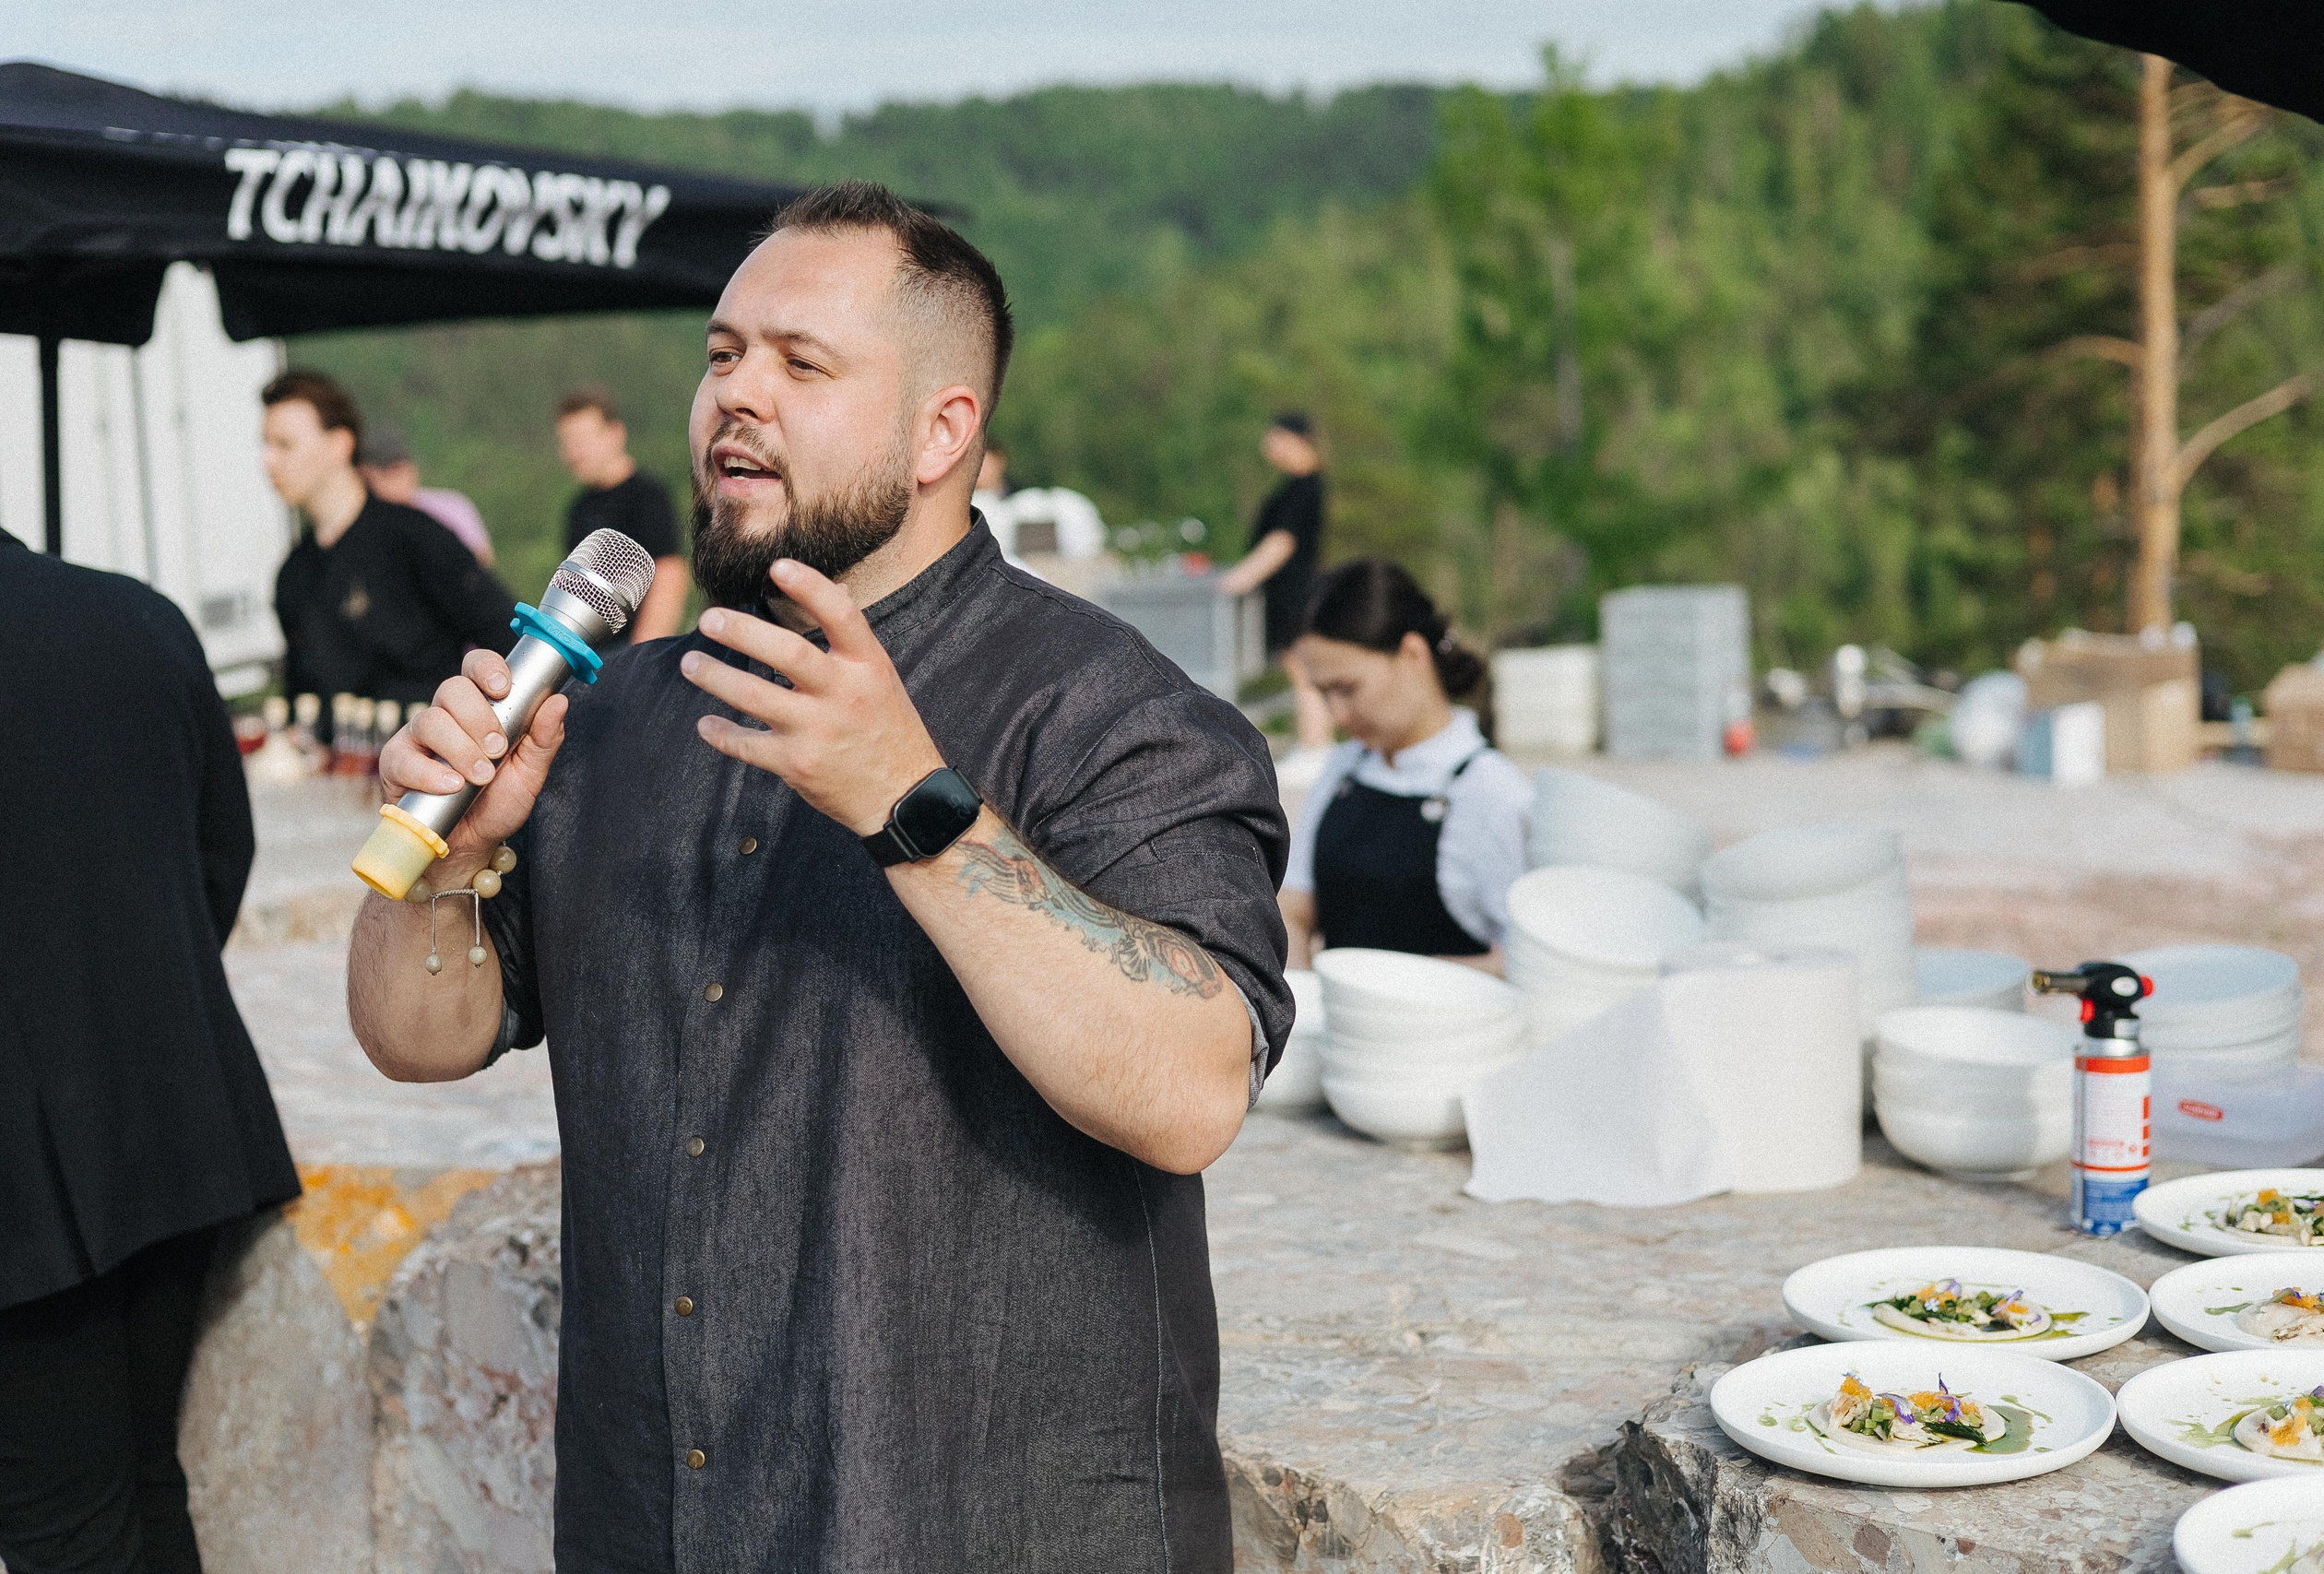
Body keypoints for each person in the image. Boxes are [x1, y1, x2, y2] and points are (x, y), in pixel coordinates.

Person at [348, 181, 1289, 1571]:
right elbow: (417, 1036)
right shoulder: (613, 714)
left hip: (990, 1526)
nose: (737, 395)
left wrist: (913, 805)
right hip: (658, 1518)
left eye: (803, 363)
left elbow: (1195, 1086)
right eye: (723, 353)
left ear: (941, 429)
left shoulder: (1116, 712)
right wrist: (451, 858)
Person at [0, 531, 301, 1573]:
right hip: (179, 1116)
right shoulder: (136, 615)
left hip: (26, 1199)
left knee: (62, 1529)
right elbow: (223, 852)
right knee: (138, 1483)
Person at [1280, 559, 1533, 973]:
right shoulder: (1344, 768)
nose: (1337, 716)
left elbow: (1526, 960)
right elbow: (1294, 908)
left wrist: (1399, 988)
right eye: (1323, 694)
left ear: (1412, 654)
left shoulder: (1491, 792)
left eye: (1346, 689)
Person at [266, 370, 516, 725]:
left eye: (284, 444)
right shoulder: (293, 575)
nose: (268, 461)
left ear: (339, 444)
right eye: (265, 445)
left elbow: (506, 637)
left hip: (436, 766)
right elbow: (299, 697)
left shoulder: (416, 537)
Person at [1220, 411, 1333, 758]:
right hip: (1286, 594)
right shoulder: (1294, 486)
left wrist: (1245, 575)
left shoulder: (1303, 489)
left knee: (1304, 672)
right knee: (1299, 669)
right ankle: (1314, 744)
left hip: (1295, 592)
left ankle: (1316, 747)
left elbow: (1282, 542)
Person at [554, 388, 690, 642]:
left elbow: (669, 574)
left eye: (582, 442)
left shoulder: (647, 496)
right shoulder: (578, 509)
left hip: (632, 652)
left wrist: (640, 656)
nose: (574, 454)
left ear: (616, 434)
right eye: (566, 444)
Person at [356, 426, 496, 566]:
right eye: (388, 470)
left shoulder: (451, 505)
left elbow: (482, 556)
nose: (401, 475)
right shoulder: (361, 521)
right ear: (366, 475)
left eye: (402, 466)